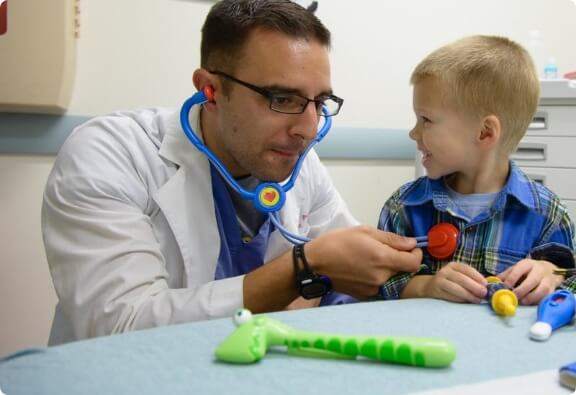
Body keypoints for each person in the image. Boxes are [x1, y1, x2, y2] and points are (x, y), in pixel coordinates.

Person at [42, 0, 422, 344]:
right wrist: (303, 269)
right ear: (210, 90)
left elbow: (345, 276)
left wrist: (416, 286)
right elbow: (122, 326)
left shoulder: (299, 164)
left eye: (319, 102)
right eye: (282, 98)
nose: (307, 129)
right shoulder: (111, 154)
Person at [377, 35, 576, 306]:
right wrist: (428, 286)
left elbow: (570, 284)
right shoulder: (405, 207)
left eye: (426, 120)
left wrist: (553, 275)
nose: (414, 133)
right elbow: (380, 285)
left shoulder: (547, 215)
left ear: (484, 133)